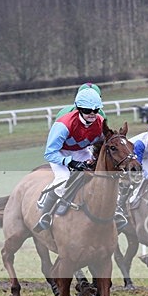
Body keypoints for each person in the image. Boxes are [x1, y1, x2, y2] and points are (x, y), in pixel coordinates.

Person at [35, 87, 108, 232]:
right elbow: (49, 153)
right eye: (88, 110)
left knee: (102, 175)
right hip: (60, 152)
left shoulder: (100, 121)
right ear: (79, 109)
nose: (92, 114)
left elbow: (102, 143)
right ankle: (45, 214)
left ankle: (114, 210)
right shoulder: (63, 125)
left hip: (81, 151)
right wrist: (71, 162)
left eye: (96, 110)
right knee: (64, 178)